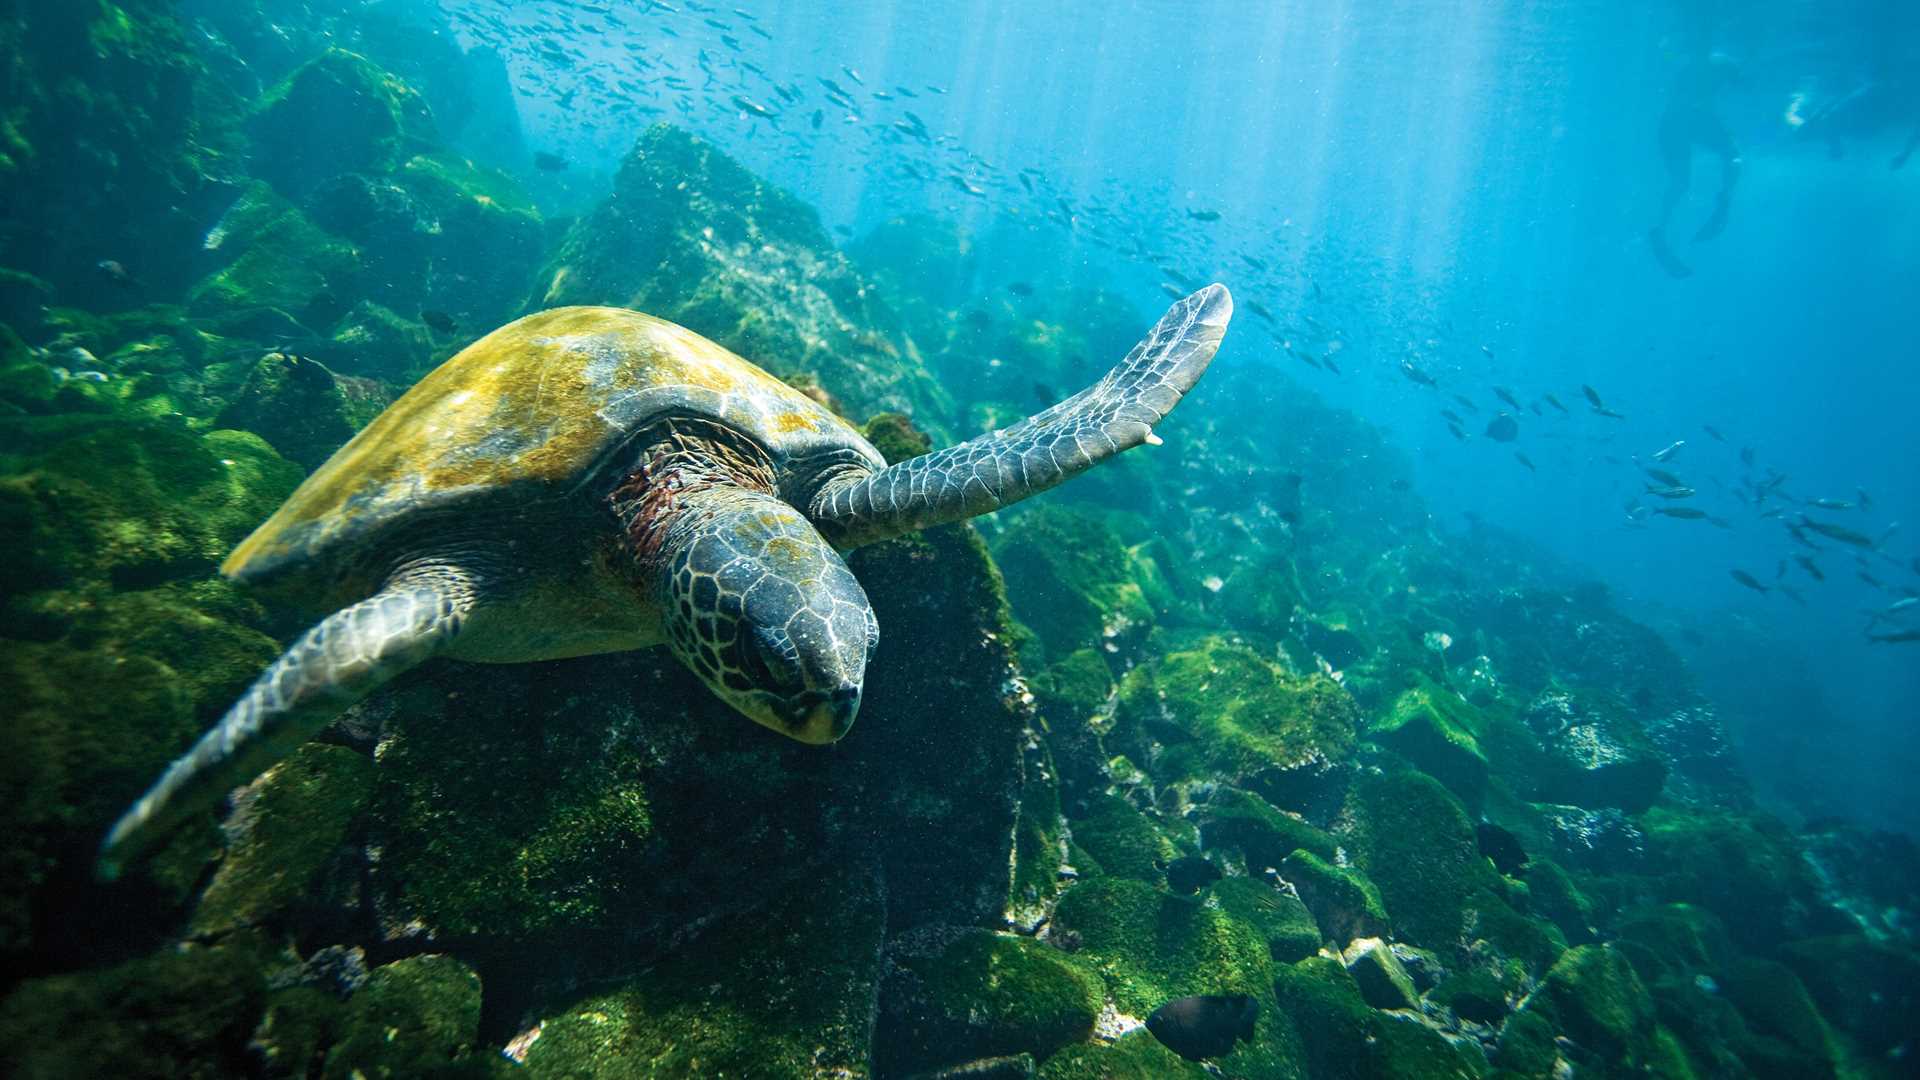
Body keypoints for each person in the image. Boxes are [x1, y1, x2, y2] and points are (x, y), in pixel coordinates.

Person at [1649, 52, 1742, 279]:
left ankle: (1660, 230)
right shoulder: (1719, 63)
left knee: (1680, 183)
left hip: (1672, 123)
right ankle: (1723, 202)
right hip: (1681, 121)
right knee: (1733, 157)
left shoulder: (1701, 64)